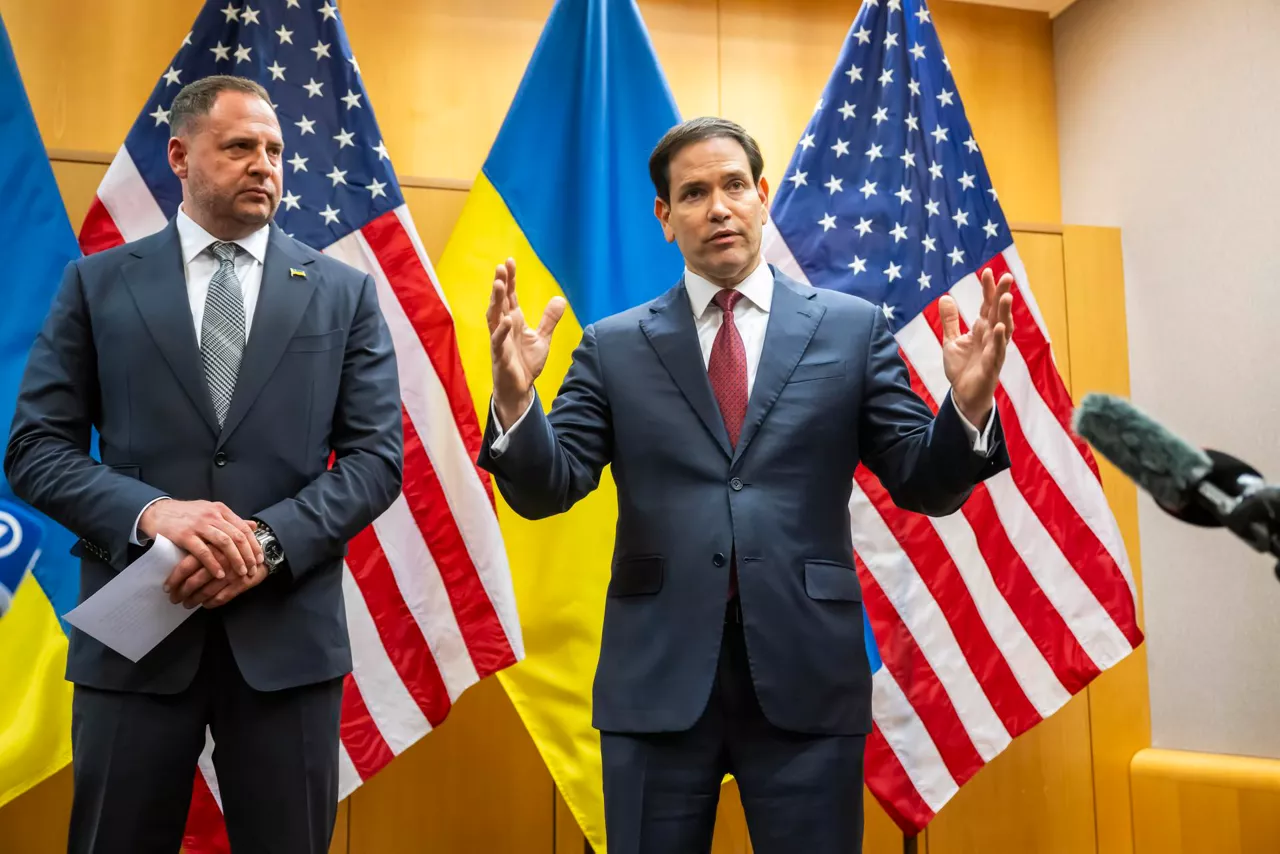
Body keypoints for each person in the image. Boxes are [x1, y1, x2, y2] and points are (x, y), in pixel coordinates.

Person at [479, 117, 1014, 853]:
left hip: (806, 673)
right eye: (693, 193)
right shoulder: (614, 345)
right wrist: (515, 404)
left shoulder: (850, 331)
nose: (719, 207)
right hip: (657, 678)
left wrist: (968, 407)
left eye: (734, 185)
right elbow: (549, 488)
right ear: (665, 219)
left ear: (762, 196)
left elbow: (925, 483)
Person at [4, 75, 403, 854]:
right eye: (240, 147)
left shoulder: (344, 294)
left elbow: (375, 460)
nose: (265, 165)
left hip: (286, 642)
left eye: (276, 150)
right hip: (135, 639)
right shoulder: (95, 284)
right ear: (181, 156)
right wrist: (152, 513)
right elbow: (34, 449)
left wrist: (266, 541)